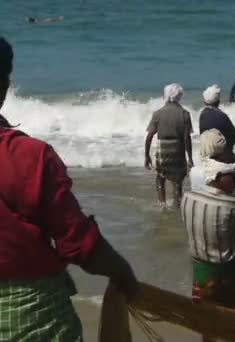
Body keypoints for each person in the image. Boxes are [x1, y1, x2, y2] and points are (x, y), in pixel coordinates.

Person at [0, 36, 137, 341]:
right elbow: (78, 243)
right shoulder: (31, 157)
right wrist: (122, 272)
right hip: (33, 320)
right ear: (4, 86)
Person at [181, 159, 235, 316]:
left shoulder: (187, 197)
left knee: (206, 316)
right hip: (226, 270)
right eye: (231, 176)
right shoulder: (231, 204)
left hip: (200, 270)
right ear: (217, 178)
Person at [145, 83, 194, 209]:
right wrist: (190, 158)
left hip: (163, 150)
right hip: (178, 150)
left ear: (165, 95)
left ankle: (162, 203)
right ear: (180, 96)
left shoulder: (158, 113)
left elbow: (149, 136)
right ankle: (177, 203)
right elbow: (186, 139)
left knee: (160, 177)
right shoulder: (185, 114)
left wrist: (147, 156)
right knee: (177, 181)